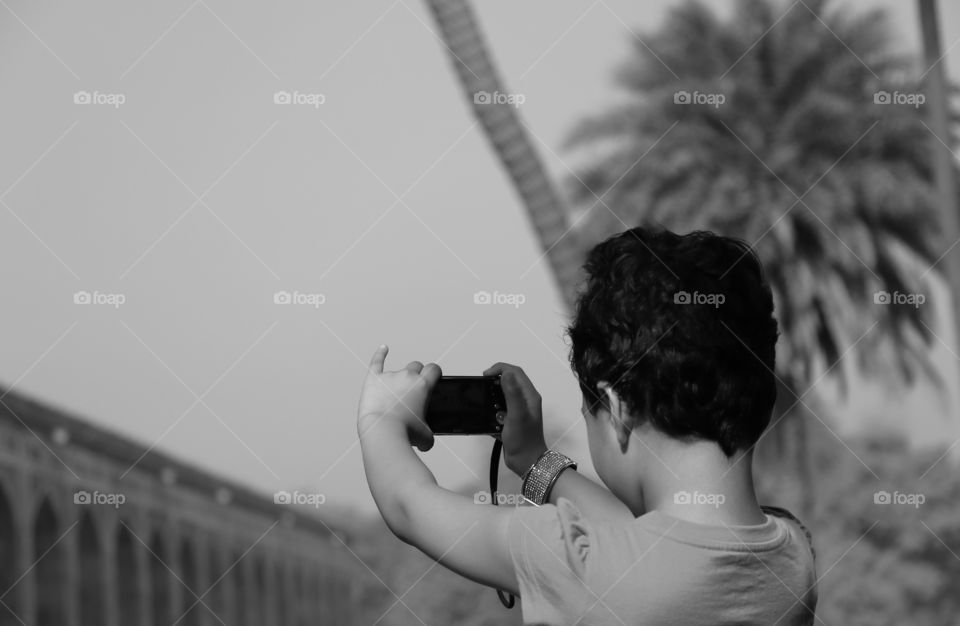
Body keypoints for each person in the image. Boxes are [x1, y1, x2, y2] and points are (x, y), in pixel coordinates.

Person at [357, 225, 818, 625]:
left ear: (617, 409)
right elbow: (643, 544)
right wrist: (536, 463)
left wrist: (379, 418)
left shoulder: (572, 561)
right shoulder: (794, 556)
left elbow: (408, 507)